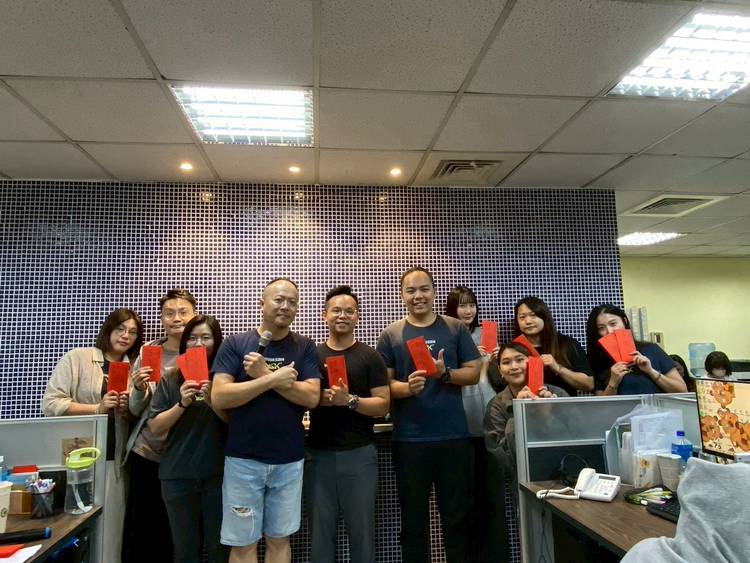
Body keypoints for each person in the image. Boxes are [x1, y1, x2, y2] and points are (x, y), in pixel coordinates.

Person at [211, 278, 321, 563]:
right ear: (262, 304)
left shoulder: (305, 347)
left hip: (289, 460)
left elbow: (311, 397)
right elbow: (220, 396)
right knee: (242, 543)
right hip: (243, 461)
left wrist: (263, 374)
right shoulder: (236, 344)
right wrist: (271, 379)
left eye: (292, 302)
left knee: (279, 539)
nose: (285, 306)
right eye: (279, 299)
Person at [376, 267, 481, 563]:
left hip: (453, 437)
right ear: (401, 296)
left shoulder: (454, 328)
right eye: (410, 291)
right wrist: (406, 388)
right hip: (409, 440)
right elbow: (384, 385)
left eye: (424, 289)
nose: (418, 296)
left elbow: (474, 372)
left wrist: (445, 374)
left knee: (457, 519)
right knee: (413, 523)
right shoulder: (391, 334)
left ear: (434, 292)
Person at [42, 307, 143, 563]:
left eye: (132, 332)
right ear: (108, 329)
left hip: (114, 460)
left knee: (111, 532)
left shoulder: (134, 369)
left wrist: (127, 408)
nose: (126, 336)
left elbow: (141, 416)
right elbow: (51, 404)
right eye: (120, 329)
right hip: (76, 460)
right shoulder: (79, 358)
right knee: (71, 529)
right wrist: (97, 408)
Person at [306, 286, 390, 563]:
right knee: (320, 536)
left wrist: (350, 400)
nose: (342, 315)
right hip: (318, 455)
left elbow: (383, 404)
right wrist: (323, 399)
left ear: (357, 317)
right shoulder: (312, 355)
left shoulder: (370, 356)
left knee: (362, 534)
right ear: (324, 315)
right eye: (336, 310)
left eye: (349, 311)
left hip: (359, 455)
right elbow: (301, 398)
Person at [124, 288, 198, 562]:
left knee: (180, 533)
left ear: (194, 315)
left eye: (183, 312)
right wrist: (139, 389)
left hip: (186, 455)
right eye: (169, 313)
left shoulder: (202, 352)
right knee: (145, 530)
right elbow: (136, 410)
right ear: (162, 319)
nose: (176, 318)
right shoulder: (149, 352)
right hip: (149, 452)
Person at [148, 315, 229, 563]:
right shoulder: (171, 378)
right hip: (177, 475)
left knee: (219, 550)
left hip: (219, 475)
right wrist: (182, 403)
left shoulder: (226, 378)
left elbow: (236, 424)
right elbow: (155, 428)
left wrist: (213, 399)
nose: (198, 344)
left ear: (217, 341)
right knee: (185, 551)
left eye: (206, 337)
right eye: (192, 338)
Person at [443, 285, 504, 562]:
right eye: (461, 305)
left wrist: (495, 361)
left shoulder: (487, 334)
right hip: (458, 422)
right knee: (461, 500)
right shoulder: (447, 335)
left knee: (492, 498)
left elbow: (499, 381)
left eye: (471, 305)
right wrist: (470, 361)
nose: (467, 311)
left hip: (489, 420)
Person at [483, 343, 568, 509]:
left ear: (533, 363)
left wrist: (547, 415)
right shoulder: (496, 406)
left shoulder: (558, 394)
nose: (514, 366)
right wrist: (520, 411)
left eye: (519, 359)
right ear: (500, 371)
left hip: (564, 478)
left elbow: (576, 441)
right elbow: (505, 458)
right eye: (506, 362)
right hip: (524, 482)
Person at [585, 304, 686, 395]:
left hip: (656, 410)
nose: (609, 331)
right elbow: (601, 405)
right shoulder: (598, 361)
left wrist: (651, 371)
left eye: (613, 324)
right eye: (601, 328)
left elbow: (682, 391)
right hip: (620, 411)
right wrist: (613, 382)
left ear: (624, 321)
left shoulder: (651, 349)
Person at [513, 296, 593, 396]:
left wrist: (558, 368)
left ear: (544, 317)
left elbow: (589, 384)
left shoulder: (567, 344)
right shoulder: (514, 349)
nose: (528, 321)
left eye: (533, 315)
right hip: (527, 403)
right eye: (522, 317)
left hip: (563, 403)